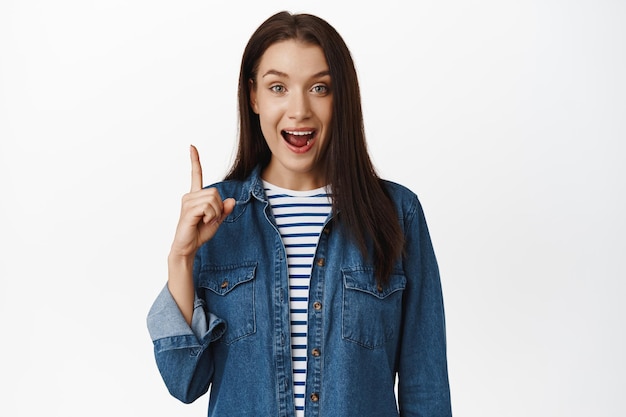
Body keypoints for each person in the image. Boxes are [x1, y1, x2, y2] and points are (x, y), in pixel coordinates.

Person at [147, 11, 452, 417]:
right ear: (253, 96)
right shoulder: (216, 216)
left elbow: (426, 389)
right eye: (278, 87)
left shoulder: (398, 214)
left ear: (341, 98)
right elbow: (183, 381)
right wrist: (181, 259)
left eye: (320, 88)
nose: (299, 110)